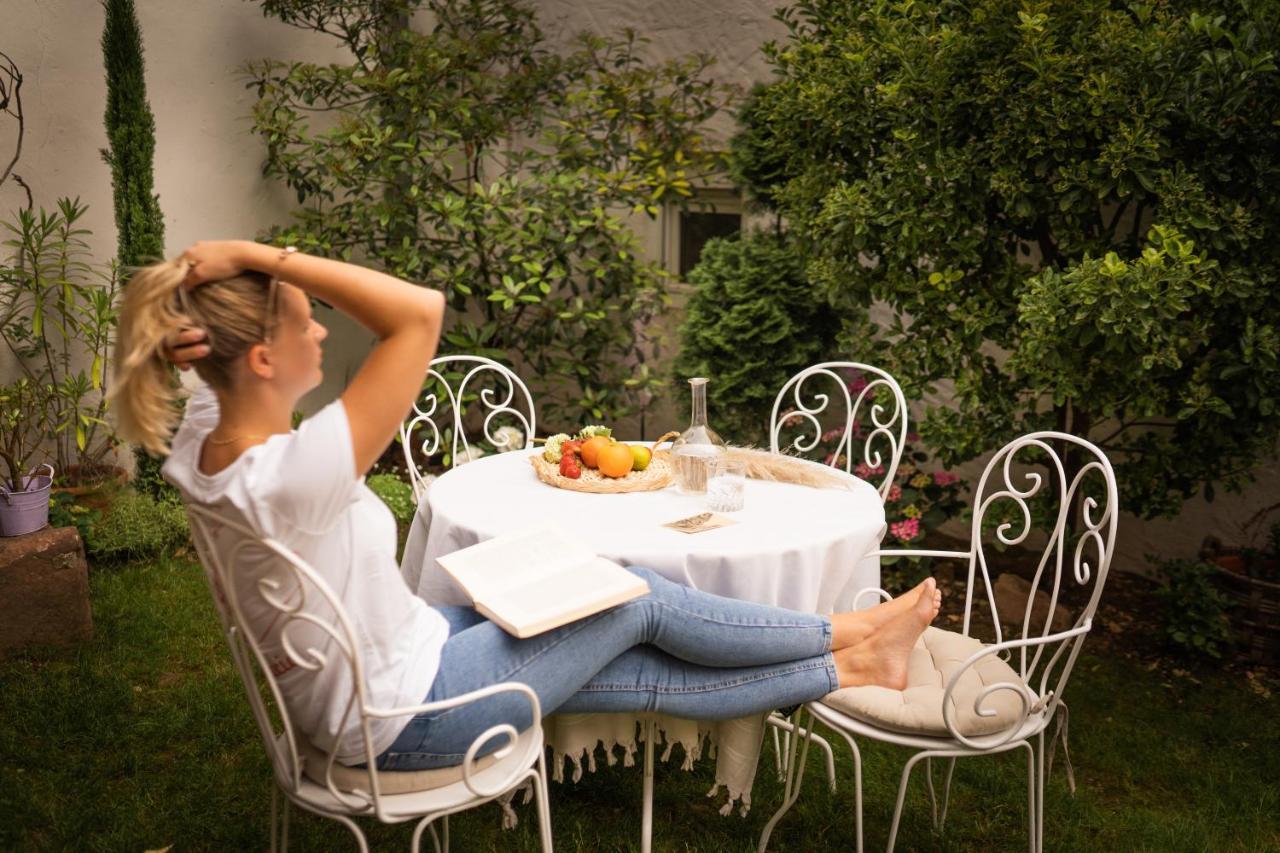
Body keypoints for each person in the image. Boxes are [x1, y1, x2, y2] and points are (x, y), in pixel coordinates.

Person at [109, 241, 940, 771]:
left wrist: (205, 310)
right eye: (304, 324)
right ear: (261, 358)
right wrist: (269, 258)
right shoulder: (289, 475)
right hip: (405, 715)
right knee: (635, 595)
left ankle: (852, 657)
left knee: (613, 629)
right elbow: (417, 315)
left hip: (402, 662)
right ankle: (846, 641)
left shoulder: (207, 447)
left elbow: (210, 368)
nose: (322, 335)